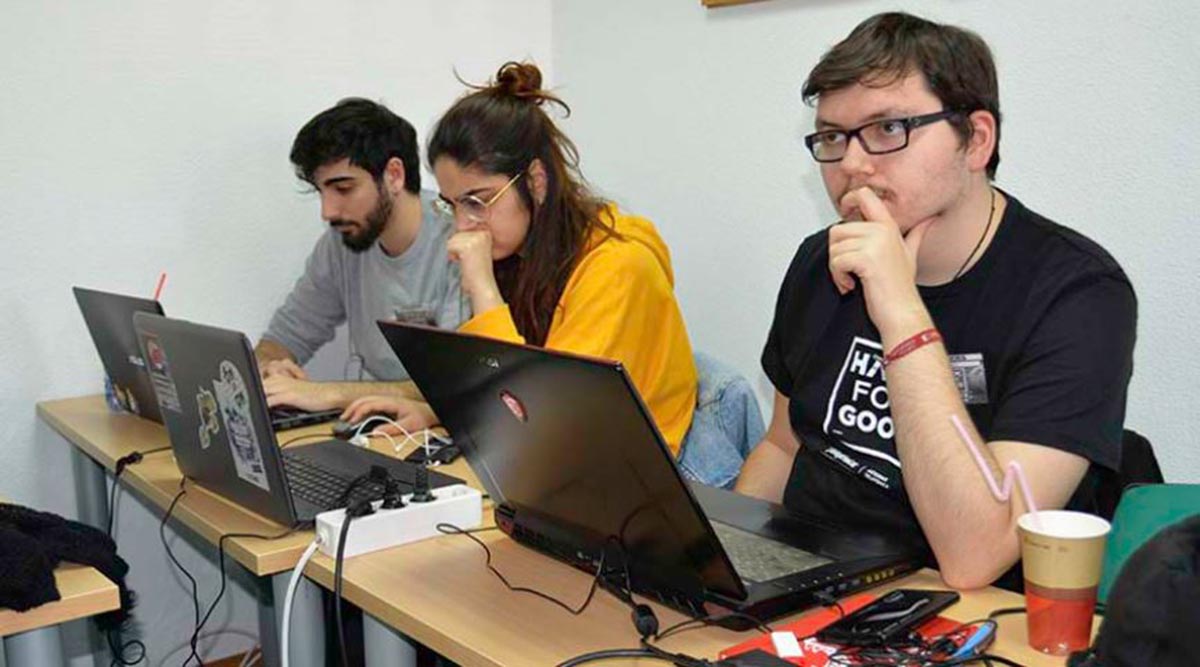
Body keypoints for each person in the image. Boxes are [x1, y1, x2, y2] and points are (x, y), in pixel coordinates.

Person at [734, 12, 1136, 589]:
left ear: (976, 140)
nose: (851, 164)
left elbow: (974, 555)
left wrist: (900, 311)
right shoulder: (819, 260)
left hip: (950, 607)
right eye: (831, 136)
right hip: (807, 583)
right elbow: (781, 445)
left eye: (888, 129)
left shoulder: (1079, 294)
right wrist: (729, 569)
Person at [343, 62, 698, 453]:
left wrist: (482, 288)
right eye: (451, 205)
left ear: (535, 181)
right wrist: (433, 412)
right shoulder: (522, 251)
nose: (463, 224)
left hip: (655, 467)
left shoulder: (618, 266)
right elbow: (506, 398)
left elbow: (544, 420)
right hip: (574, 453)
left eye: (477, 201)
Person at [255, 98, 466, 411]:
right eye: (321, 192)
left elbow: (455, 383)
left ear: (394, 175)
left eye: (342, 189)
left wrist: (326, 394)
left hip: (449, 435)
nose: (328, 212)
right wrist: (270, 368)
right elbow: (282, 338)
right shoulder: (341, 242)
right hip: (375, 429)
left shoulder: (460, 240)